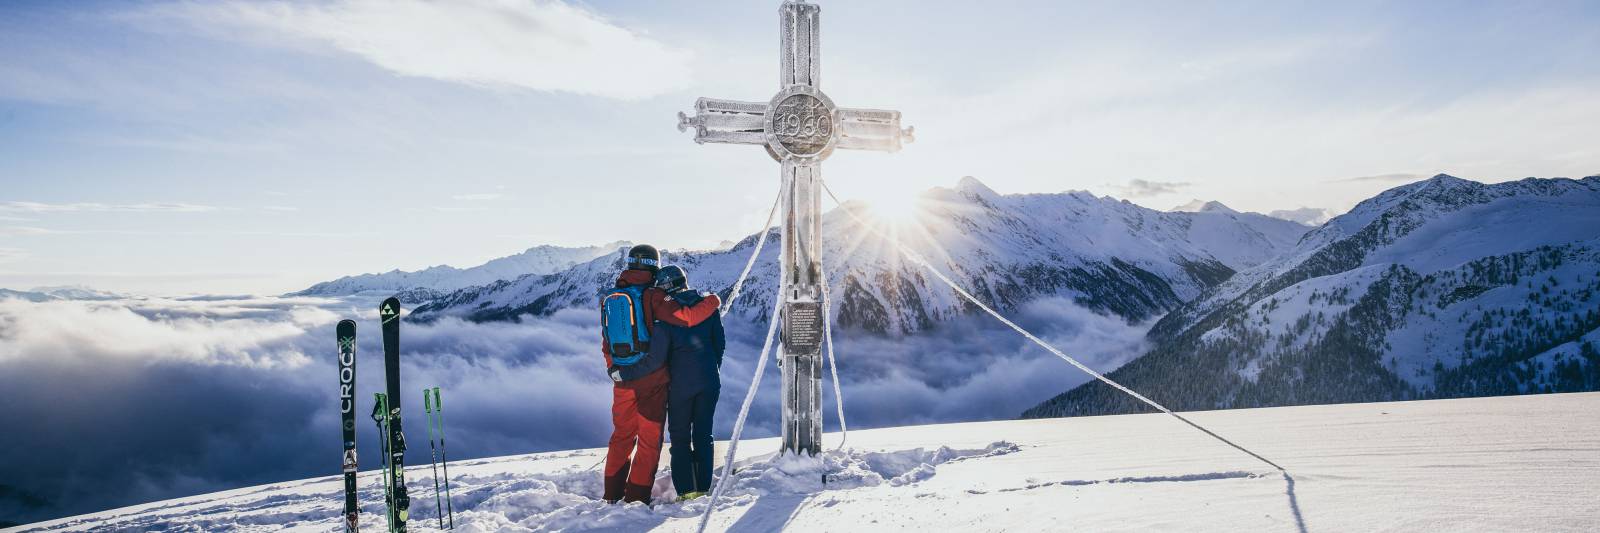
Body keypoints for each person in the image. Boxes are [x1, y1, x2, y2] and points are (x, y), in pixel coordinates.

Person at [602, 245, 721, 504]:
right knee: (648, 440)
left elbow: (607, 340)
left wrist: (615, 369)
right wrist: (713, 301)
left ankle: (611, 494)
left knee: (621, 436)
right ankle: (636, 497)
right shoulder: (655, 295)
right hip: (651, 382)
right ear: (654, 265)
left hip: (621, 379)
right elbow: (687, 317)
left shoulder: (613, 295)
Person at [645, 265, 726, 501]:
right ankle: (702, 488)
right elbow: (719, 344)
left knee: (680, 437)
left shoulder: (667, 316)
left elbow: (658, 357)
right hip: (710, 381)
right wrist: (711, 370)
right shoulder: (707, 309)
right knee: (703, 434)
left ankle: (687, 491)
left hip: (679, 386)